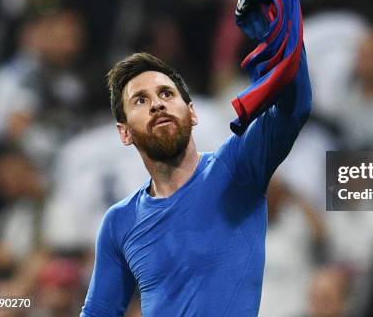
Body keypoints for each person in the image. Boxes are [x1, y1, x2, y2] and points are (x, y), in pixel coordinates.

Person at [80, 49, 312, 315]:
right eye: (140, 100)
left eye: (166, 93)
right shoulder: (118, 222)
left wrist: (286, 35)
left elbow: (295, 108)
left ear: (192, 113)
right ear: (125, 132)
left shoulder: (235, 168)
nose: (157, 104)